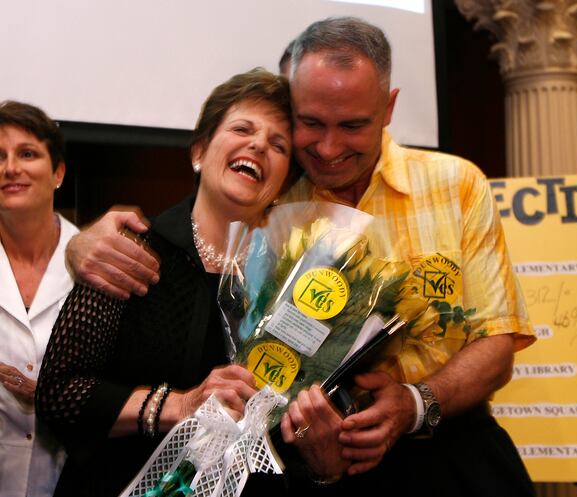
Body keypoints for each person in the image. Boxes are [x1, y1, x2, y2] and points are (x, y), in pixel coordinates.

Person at [63, 18, 537, 497]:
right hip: (312, 470)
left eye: (352, 125)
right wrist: (81, 240)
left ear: (388, 107)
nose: (329, 148)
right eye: (310, 124)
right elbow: (203, 217)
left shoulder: (455, 185)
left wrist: (415, 403)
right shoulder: (273, 204)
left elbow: (497, 343)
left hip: (453, 454)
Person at [35, 68, 294, 497]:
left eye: (278, 144)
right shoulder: (130, 250)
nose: (259, 144)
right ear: (199, 151)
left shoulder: (291, 284)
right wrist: (179, 404)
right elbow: (59, 394)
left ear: (283, 182)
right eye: (243, 128)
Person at [0, 101, 79, 497]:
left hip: (66, 478)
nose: (10, 167)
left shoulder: (95, 266)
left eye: (27, 154)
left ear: (58, 172)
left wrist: (50, 395)